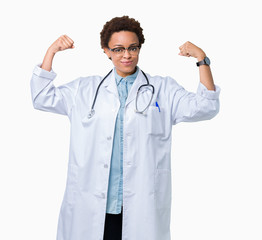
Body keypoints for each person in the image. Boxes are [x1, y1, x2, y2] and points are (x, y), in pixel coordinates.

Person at [30, 16, 220, 240]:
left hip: (141, 205)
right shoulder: (84, 90)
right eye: (118, 49)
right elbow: (41, 97)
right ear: (106, 51)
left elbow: (207, 107)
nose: (127, 55)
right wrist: (51, 52)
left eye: (132, 48)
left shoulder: (163, 89)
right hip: (92, 205)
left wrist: (202, 59)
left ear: (140, 48)